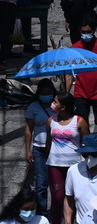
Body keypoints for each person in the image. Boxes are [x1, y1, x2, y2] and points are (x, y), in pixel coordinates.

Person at [45, 93, 87, 224]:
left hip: (74, 166)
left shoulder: (79, 121)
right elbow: (48, 143)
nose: (52, 104)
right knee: (57, 199)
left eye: (55, 102)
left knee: (74, 198)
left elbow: (86, 144)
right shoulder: (51, 121)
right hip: (54, 165)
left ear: (63, 107)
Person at [23, 79, 56, 216]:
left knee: (56, 183)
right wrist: (28, 150)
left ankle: (57, 210)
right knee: (41, 183)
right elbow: (28, 130)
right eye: (43, 93)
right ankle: (42, 213)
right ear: (38, 93)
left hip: (56, 149)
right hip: (39, 149)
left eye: (48, 93)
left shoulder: (58, 106)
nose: (46, 95)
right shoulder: (33, 107)